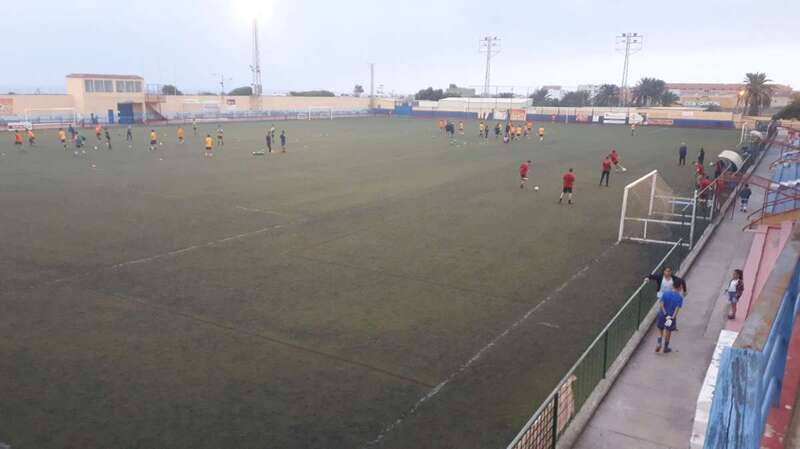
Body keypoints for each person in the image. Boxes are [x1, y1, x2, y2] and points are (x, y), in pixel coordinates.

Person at [655, 278, 684, 353]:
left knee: (660, 329)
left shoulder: (665, 293)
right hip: (670, 317)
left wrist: (665, 313)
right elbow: (677, 309)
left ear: (673, 285)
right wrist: (672, 318)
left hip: (662, 315)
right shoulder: (679, 298)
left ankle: (659, 343)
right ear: (680, 287)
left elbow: (661, 304)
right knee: (668, 331)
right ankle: (665, 348)